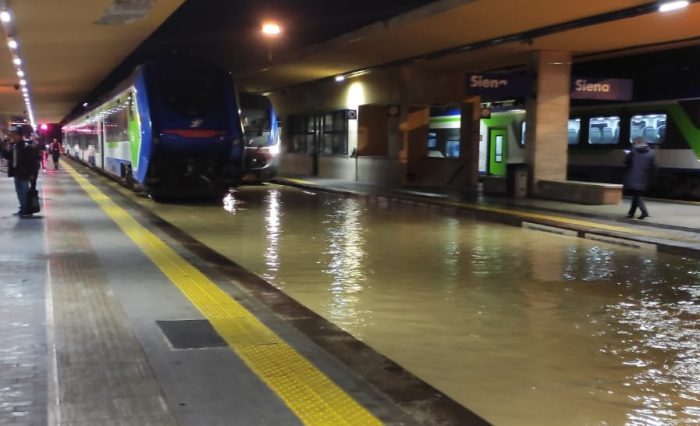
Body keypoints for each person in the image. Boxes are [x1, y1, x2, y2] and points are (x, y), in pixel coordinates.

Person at [1, 125, 39, 217]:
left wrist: (32, 174)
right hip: (16, 173)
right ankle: (23, 208)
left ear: (19, 135)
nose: (12, 136)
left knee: (24, 192)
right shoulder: (14, 146)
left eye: (14, 134)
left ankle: (25, 210)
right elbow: (8, 156)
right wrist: (2, 146)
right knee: (19, 192)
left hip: (24, 173)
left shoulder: (26, 147)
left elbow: (34, 162)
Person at [623, 136, 657, 219]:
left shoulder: (633, 151)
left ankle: (644, 212)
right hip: (643, 177)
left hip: (633, 176)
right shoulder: (652, 152)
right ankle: (631, 213)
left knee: (636, 195)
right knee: (636, 195)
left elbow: (626, 162)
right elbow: (654, 167)